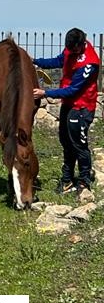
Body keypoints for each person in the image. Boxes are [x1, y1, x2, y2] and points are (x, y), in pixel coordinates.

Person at [33, 27, 100, 197]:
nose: (70, 52)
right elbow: (58, 61)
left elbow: (72, 90)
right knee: (66, 142)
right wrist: (36, 61)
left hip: (81, 108)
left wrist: (45, 92)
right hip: (68, 105)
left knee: (79, 145)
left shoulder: (89, 63)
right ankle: (67, 179)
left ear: (81, 44)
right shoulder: (71, 49)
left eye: (74, 49)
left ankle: (84, 181)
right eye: (69, 49)